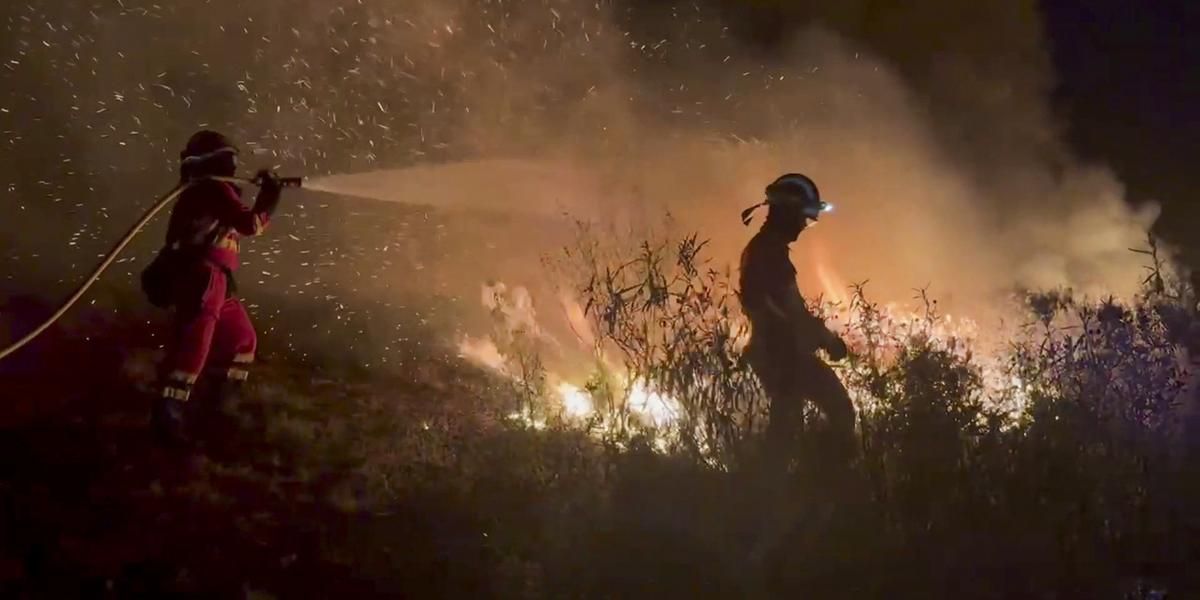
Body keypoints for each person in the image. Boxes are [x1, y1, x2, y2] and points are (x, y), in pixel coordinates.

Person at [150, 130, 285, 443]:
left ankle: (218, 407)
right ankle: (168, 415)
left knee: (242, 341)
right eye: (229, 160)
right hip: (203, 279)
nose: (234, 167)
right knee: (194, 349)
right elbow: (250, 225)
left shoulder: (212, 191)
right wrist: (270, 198)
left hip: (218, 280)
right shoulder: (212, 189)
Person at [738, 173, 854, 467]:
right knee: (838, 411)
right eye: (802, 217)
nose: (804, 225)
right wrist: (828, 340)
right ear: (786, 214)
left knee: (786, 430)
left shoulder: (764, 250)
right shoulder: (769, 255)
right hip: (781, 355)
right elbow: (790, 312)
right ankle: (823, 485)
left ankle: (780, 486)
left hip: (778, 352)